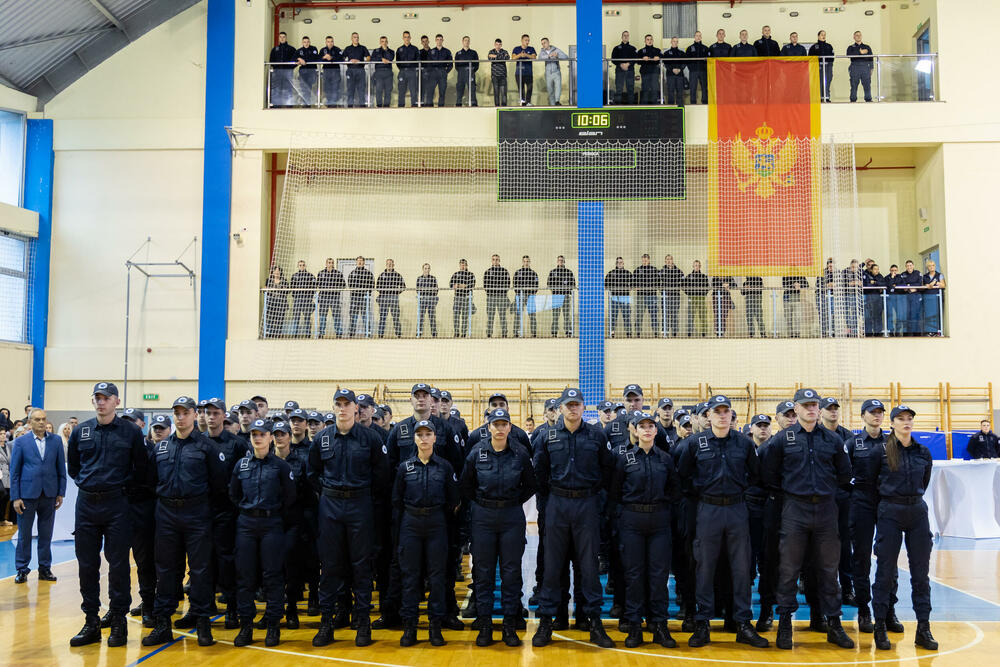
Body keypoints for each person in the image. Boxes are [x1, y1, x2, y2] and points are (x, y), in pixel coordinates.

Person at [762, 388, 854, 650]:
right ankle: (785, 625)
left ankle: (834, 624)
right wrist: (793, 493)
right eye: (806, 405)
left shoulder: (833, 440)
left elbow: (844, 474)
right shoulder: (783, 439)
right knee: (789, 570)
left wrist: (824, 491)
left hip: (826, 510)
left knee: (828, 570)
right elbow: (769, 475)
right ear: (797, 409)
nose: (812, 409)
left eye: (815, 405)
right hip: (795, 510)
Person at [678, 397, 769, 648]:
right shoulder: (694, 443)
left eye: (725, 411)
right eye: (716, 412)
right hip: (707, 509)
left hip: (737, 509)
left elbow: (755, 474)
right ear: (708, 415)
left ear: (731, 415)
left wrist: (738, 489)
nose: (721, 415)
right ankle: (702, 623)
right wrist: (701, 492)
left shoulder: (743, 443)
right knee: (704, 567)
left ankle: (742, 624)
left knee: (741, 569)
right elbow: (682, 475)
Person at [532, 388, 617, 649]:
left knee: (589, 567)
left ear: (583, 407)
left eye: (576, 404)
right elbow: (539, 473)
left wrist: (597, 503)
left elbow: (608, 470)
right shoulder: (547, 435)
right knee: (553, 566)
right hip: (557, 503)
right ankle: (547, 619)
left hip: (586, 504)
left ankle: (593, 622)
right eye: (568, 405)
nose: (572, 408)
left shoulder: (596, 435)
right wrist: (547, 509)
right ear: (560, 408)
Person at [143, 396, 228, 648]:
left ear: (194, 414)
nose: (180, 417)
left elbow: (219, 485)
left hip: (197, 513)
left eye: (185, 412)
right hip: (167, 514)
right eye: (176, 413)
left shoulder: (207, 447)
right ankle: (163, 624)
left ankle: (202, 622)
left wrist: (203, 509)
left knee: (201, 570)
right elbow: (151, 481)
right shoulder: (161, 448)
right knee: (167, 570)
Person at [308, 389, 390, 647]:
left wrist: (362, 496)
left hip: (360, 505)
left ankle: (363, 623)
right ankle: (326, 624)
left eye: (347, 404)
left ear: (356, 408)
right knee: (330, 566)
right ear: (333, 408)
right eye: (338, 404)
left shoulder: (371, 439)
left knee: (361, 566)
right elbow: (312, 472)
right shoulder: (322, 438)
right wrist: (329, 492)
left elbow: (382, 475)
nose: (342, 408)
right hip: (330, 506)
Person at [459, 408, 536, 646]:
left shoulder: (520, 454)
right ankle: (484, 625)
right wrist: (485, 504)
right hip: (483, 516)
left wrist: (510, 502)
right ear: (489, 427)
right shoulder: (476, 452)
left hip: (511, 516)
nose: (500, 429)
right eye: (496, 424)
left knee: (511, 574)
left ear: (510, 428)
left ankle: (509, 626)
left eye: (504, 424)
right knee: (483, 574)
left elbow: (530, 485)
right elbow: (466, 485)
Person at [866, 405, 937, 651]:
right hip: (890, 512)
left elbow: (924, 481)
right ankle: (880, 628)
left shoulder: (923, 452)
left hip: (917, 512)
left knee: (921, 574)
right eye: (901, 419)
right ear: (892, 423)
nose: (906, 422)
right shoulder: (880, 452)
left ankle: (924, 628)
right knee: (884, 572)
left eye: (909, 419)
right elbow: (871, 484)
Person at [610, 412, 678, 648]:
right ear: (635, 431)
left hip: (659, 521)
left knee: (659, 577)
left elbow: (673, 490)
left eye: (651, 426)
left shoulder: (666, 459)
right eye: (642, 427)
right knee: (634, 576)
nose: (647, 430)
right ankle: (634, 626)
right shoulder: (624, 459)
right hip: (632, 520)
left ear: (656, 431)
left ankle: (659, 625)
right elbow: (615, 492)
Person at [228, 419, 295, 648]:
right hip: (246, 524)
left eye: (262, 434)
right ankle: (246, 625)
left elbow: (289, 498)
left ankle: (273, 626)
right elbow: (234, 494)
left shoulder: (281, 467)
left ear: (270, 438)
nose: (257, 438)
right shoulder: (241, 466)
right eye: (254, 434)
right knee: (245, 577)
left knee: (273, 576)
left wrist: (271, 514)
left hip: (271, 524)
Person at [393, 420, 460, 647]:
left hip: (436, 523)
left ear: (434, 438)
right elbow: (397, 500)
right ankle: (410, 626)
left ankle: (435, 626)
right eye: (419, 434)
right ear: (414, 438)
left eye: (427, 434)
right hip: (410, 523)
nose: (423, 438)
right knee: (410, 578)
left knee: (437, 577)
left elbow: (453, 499)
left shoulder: (445, 467)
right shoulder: (405, 467)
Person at [846, 399, 897, 634]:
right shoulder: (853, 443)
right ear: (862, 416)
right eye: (872, 412)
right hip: (861, 502)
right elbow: (843, 475)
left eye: (880, 412)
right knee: (862, 558)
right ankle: (864, 609)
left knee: (888, 558)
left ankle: (888, 611)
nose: (877, 416)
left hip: (887, 502)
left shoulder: (893, 442)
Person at [11, 408, 66, 588]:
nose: (41, 422)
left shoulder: (56, 441)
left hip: (49, 495)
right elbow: (15, 472)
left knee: (46, 535)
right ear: (30, 422)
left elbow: (60, 470)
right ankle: (22, 569)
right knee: (24, 535)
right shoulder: (20, 442)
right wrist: (15, 497)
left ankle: (44, 569)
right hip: (26, 495)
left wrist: (61, 492)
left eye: (43, 419)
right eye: (37, 419)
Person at [120, 409, 158, 629]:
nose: (127, 426)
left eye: (131, 422)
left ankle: (149, 605)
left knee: (144, 561)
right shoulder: (118, 447)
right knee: (118, 562)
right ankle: (118, 609)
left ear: (141, 425)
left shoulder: (150, 449)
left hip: (142, 508)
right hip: (120, 508)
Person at [820, 397, 856, 608]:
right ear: (821, 412)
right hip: (821, 498)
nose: (833, 412)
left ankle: (847, 587)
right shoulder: (815, 436)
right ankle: (820, 587)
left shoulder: (848, 437)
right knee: (820, 546)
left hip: (843, 497)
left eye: (835, 409)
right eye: (829, 409)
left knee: (844, 545)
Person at [316, 257, 345, 338]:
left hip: (334, 298)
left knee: (336, 316)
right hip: (324, 298)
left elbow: (343, 285)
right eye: (329, 262)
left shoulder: (338, 273)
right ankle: (321, 333)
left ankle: (339, 333)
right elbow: (318, 284)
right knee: (322, 316)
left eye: (332, 262)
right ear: (326, 264)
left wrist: (335, 289)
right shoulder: (321, 273)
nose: (330, 264)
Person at [546, 255, 575, 337]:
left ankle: (568, 331)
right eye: (559, 260)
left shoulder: (569, 272)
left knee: (566, 315)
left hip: (565, 296)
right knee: (555, 315)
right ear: (557, 261)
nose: (561, 262)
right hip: (556, 296)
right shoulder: (553, 272)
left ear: (564, 261)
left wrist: (565, 289)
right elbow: (549, 284)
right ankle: (554, 332)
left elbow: (573, 284)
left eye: (562, 260)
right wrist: (555, 291)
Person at [376, 258, 406, 338]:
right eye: (388, 263)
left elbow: (403, 287)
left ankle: (398, 334)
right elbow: (377, 287)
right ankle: (380, 335)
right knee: (382, 317)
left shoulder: (397, 275)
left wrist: (396, 292)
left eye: (391, 263)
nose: (389, 265)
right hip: (383, 298)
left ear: (393, 265)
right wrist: (385, 292)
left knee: (396, 317)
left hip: (394, 298)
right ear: (386, 265)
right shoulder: (381, 275)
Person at [484, 254, 511, 338]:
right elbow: (485, 285)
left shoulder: (504, 271)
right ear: (491, 261)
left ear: (499, 261)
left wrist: (501, 292)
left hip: (501, 297)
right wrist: (492, 292)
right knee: (490, 316)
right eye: (493, 259)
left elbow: (507, 284)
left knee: (502, 316)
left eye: (497, 259)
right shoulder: (487, 272)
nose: (495, 261)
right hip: (491, 297)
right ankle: (489, 333)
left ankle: (504, 333)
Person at [605, 257, 633, 338]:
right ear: (616, 264)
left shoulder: (628, 273)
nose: (620, 264)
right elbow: (606, 285)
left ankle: (628, 333)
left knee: (627, 316)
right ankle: (612, 332)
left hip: (625, 297)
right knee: (613, 316)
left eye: (621, 262)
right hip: (614, 297)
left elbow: (632, 285)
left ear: (623, 263)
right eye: (618, 262)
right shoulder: (611, 273)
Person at [269, 32, 298, 107]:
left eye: (283, 37)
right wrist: (276, 68)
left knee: (288, 89)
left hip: (288, 72)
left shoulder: (291, 49)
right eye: (280, 37)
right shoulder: (275, 49)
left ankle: (288, 106)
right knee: (277, 89)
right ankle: (276, 106)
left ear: (286, 38)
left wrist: (289, 68)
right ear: (279, 38)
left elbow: (295, 61)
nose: (282, 38)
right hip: (277, 72)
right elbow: (271, 61)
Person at [347, 256, 374, 337]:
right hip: (354, 298)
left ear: (364, 262)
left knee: (366, 316)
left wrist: (366, 293)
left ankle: (367, 333)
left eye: (361, 261)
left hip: (364, 298)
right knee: (353, 316)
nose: (360, 262)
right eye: (358, 261)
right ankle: (352, 334)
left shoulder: (368, 273)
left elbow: (372, 285)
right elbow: (350, 284)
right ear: (356, 262)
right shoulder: (352, 273)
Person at [633, 254, 660, 337]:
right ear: (641, 260)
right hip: (641, 296)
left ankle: (655, 332)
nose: (644, 261)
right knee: (639, 314)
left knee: (654, 314)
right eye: (643, 260)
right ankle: (638, 332)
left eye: (646, 260)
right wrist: (635, 287)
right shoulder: (637, 270)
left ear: (649, 260)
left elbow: (658, 282)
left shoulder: (654, 270)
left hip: (652, 296)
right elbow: (633, 282)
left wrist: (654, 287)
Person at [512, 255, 539, 338]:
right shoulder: (517, 272)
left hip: (530, 296)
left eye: (527, 261)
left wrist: (531, 293)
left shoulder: (533, 273)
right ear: (522, 262)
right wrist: (519, 293)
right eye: (524, 261)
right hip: (520, 296)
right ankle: (516, 332)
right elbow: (514, 284)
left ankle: (533, 333)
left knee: (532, 315)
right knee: (518, 314)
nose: (526, 263)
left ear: (529, 262)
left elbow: (536, 285)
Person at [342, 32, 371, 108]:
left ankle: (362, 106)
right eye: (355, 37)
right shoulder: (348, 48)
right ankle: (350, 106)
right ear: (351, 39)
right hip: (350, 70)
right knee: (350, 89)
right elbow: (342, 58)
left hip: (360, 70)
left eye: (357, 37)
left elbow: (368, 57)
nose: (356, 39)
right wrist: (349, 61)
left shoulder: (363, 48)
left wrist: (362, 61)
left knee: (361, 89)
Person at [682, 260, 710, 337]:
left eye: (698, 265)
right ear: (693, 266)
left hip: (701, 297)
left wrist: (703, 293)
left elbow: (707, 287)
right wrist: (689, 293)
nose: (696, 267)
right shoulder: (688, 276)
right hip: (692, 297)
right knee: (690, 315)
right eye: (695, 265)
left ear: (700, 266)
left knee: (703, 315)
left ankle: (704, 332)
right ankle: (689, 332)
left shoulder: (704, 277)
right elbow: (683, 286)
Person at [289, 259, 315, 338]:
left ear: (305, 266)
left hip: (307, 300)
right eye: (300, 265)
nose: (302, 266)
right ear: (298, 266)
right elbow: (292, 288)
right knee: (296, 318)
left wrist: (309, 297)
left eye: (303, 265)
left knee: (307, 318)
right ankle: (294, 335)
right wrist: (296, 296)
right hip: (297, 300)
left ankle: (308, 335)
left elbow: (313, 287)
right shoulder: (294, 276)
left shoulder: (310, 276)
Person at [449, 258, 476, 337]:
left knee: (465, 316)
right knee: (456, 315)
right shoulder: (455, 274)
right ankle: (456, 332)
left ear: (467, 265)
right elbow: (451, 285)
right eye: (461, 265)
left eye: (464, 265)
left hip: (466, 297)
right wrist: (461, 286)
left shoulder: (470, 274)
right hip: (457, 297)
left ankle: (463, 333)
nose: (463, 266)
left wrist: (460, 286)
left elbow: (472, 285)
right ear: (459, 265)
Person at [538, 37, 568, 105]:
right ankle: (552, 105)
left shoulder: (556, 49)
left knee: (558, 87)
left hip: (556, 72)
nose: (543, 45)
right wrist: (548, 56)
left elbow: (566, 56)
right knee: (550, 90)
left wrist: (557, 55)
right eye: (542, 44)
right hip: (548, 74)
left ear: (548, 42)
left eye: (544, 43)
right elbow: (539, 58)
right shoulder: (542, 51)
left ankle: (557, 101)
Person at [847, 31, 874, 103]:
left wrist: (871, 68)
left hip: (865, 67)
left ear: (861, 36)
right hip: (855, 67)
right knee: (854, 85)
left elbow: (871, 58)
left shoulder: (867, 47)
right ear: (854, 37)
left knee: (867, 85)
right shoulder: (851, 47)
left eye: (860, 35)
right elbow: (849, 55)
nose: (858, 36)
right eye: (856, 35)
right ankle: (853, 100)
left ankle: (868, 99)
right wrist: (860, 52)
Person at [425, 34, 452, 107]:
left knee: (442, 92)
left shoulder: (447, 51)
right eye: (437, 39)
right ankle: (429, 107)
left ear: (443, 40)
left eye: (440, 39)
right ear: (435, 40)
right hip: (433, 73)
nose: (439, 41)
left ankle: (441, 107)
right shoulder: (431, 51)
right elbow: (428, 63)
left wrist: (445, 72)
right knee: (430, 92)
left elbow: (450, 64)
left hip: (442, 73)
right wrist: (430, 72)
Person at [659, 255, 683, 337]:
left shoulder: (678, 271)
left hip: (675, 296)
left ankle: (675, 332)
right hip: (665, 296)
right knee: (665, 314)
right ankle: (664, 331)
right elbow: (658, 282)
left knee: (674, 314)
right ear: (665, 261)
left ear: (672, 260)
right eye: (667, 259)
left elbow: (683, 282)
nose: (669, 261)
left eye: (670, 259)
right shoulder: (661, 271)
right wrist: (661, 290)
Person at [611, 31, 637, 104]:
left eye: (627, 35)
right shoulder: (616, 48)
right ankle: (618, 105)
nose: (626, 37)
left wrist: (628, 64)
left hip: (630, 71)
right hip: (619, 71)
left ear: (629, 37)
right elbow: (613, 59)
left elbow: (635, 58)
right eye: (624, 35)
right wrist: (621, 64)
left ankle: (631, 106)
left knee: (631, 89)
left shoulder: (633, 48)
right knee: (619, 89)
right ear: (621, 37)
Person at [395, 31, 420, 107]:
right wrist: (403, 68)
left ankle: (414, 105)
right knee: (401, 90)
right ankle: (401, 105)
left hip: (412, 72)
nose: (407, 38)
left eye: (408, 37)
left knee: (413, 90)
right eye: (405, 37)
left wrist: (412, 68)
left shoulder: (415, 49)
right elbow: (397, 62)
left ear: (410, 38)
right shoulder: (399, 49)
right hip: (402, 72)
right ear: (403, 38)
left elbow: (418, 60)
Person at [809, 30, 835, 102]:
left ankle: (826, 97)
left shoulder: (829, 46)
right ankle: (819, 98)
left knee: (827, 82)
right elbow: (811, 58)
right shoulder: (813, 47)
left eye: (824, 35)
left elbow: (832, 57)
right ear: (818, 36)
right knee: (819, 82)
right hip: (818, 67)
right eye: (822, 34)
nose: (823, 36)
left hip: (828, 67)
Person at [294, 36, 320, 106]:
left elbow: (314, 58)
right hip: (303, 72)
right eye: (305, 42)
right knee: (303, 89)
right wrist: (299, 59)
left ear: (310, 42)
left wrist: (304, 60)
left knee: (309, 88)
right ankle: (305, 104)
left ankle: (308, 104)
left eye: (308, 42)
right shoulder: (299, 50)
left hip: (311, 72)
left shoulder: (313, 49)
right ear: (302, 43)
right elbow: (294, 58)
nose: (306, 43)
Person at [900, 259, 923, 336]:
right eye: (907, 266)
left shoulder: (917, 273)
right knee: (907, 315)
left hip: (916, 296)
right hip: (906, 296)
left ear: (913, 266)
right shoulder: (903, 274)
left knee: (915, 315)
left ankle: (917, 333)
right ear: (905, 267)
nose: (909, 267)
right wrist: (911, 286)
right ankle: (908, 334)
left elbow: (920, 283)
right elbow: (902, 284)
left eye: (910, 265)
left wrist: (910, 285)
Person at [636, 34, 661, 104]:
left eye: (651, 39)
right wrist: (642, 59)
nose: (649, 41)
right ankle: (644, 107)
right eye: (648, 39)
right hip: (645, 73)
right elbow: (637, 61)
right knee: (645, 90)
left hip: (655, 73)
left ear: (653, 41)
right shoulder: (641, 51)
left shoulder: (657, 50)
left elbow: (662, 58)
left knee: (655, 90)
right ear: (645, 41)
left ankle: (655, 107)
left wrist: (658, 58)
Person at [264, 265, 288, 338]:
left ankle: (278, 333)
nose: (277, 273)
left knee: (280, 318)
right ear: (273, 272)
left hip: (281, 302)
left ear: (280, 272)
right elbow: (266, 288)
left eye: (278, 271)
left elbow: (287, 291)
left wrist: (285, 289)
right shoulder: (268, 280)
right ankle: (269, 332)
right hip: (271, 302)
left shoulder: (284, 281)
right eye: (276, 271)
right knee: (270, 317)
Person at [512, 34, 537, 106]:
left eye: (528, 40)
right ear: (522, 40)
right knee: (521, 88)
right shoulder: (516, 49)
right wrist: (520, 55)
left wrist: (526, 55)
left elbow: (534, 57)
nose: (527, 42)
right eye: (526, 40)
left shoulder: (531, 48)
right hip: (519, 73)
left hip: (528, 72)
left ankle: (528, 101)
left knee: (529, 87)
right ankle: (522, 102)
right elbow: (513, 58)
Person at [922, 260, 945, 335]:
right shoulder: (924, 276)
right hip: (927, 298)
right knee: (928, 315)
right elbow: (922, 286)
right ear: (927, 267)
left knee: (936, 315)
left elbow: (943, 285)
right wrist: (926, 286)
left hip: (936, 298)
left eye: (933, 265)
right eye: (930, 266)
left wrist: (935, 282)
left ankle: (937, 331)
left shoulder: (939, 275)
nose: (932, 267)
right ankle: (929, 331)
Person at [370, 35, 394, 108]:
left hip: (388, 72)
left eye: (385, 41)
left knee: (388, 90)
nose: (384, 43)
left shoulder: (391, 51)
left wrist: (385, 50)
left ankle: (387, 105)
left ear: (387, 42)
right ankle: (379, 105)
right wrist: (381, 59)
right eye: (382, 41)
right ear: (380, 42)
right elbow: (372, 59)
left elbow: (390, 58)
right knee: (379, 89)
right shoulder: (376, 51)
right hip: (379, 72)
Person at [685, 31, 709, 104]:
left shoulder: (705, 48)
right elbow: (687, 60)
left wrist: (705, 68)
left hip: (703, 71)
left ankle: (705, 101)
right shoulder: (689, 48)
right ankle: (693, 102)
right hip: (693, 71)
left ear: (701, 37)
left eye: (699, 36)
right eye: (697, 36)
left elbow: (709, 60)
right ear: (694, 37)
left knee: (704, 87)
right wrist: (691, 68)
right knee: (693, 87)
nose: (698, 37)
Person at [454, 36, 479, 107]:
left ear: (469, 42)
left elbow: (477, 65)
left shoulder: (473, 53)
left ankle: (473, 103)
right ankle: (458, 104)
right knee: (460, 89)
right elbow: (456, 66)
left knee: (472, 89)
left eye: (468, 40)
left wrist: (472, 71)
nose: (467, 42)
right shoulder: (458, 53)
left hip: (470, 72)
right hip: (461, 73)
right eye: (465, 40)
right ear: (462, 42)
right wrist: (462, 71)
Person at [416, 263, 439, 337]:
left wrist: (428, 292)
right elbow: (418, 290)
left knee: (432, 317)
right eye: (425, 268)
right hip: (422, 300)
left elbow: (436, 290)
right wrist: (426, 291)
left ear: (430, 269)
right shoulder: (419, 279)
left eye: (428, 268)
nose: (427, 270)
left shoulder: (433, 278)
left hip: (431, 300)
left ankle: (434, 334)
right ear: (423, 269)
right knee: (420, 317)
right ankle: (419, 333)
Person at [319, 36, 343, 107]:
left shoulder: (337, 49)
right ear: (326, 42)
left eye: (331, 41)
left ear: (333, 42)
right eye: (328, 41)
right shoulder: (322, 50)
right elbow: (317, 59)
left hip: (335, 71)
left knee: (335, 88)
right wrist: (324, 57)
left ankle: (334, 105)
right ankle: (329, 104)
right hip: (326, 71)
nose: (330, 43)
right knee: (327, 88)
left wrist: (331, 58)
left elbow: (341, 59)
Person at [863, 263, 886, 336]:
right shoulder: (867, 276)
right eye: (875, 269)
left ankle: (878, 332)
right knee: (868, 316)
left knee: (878, 316)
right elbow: (866, 285)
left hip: (878, 299)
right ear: (871, 270)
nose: (877, 271)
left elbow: (884, 284)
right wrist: (876, 285)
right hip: (869, 298)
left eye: (878, 269)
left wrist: (875, 282)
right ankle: (868, 333)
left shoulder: (880, 276)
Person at [662, 37, 685, 106]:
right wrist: (672, 69)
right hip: (670, 75)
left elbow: (685, 62)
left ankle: (680, 108)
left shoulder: (682, 53)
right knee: (670, 92)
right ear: (671, 42)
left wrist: (680, 69)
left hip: (680, 75)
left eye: (676, 41)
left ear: (678, 42)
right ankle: (670, 108)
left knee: (680, 92)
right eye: (674, 41)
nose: (675, 42)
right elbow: (666, 64)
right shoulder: (666, 53)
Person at [488, 39, 510, 107]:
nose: (498, 46)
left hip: (503, 75)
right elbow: (490, 58)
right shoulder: (491, 51)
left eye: (499, 44)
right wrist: (500, 56)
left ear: (501, 45)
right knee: (496, 92)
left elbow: (507, 57)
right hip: (494, 75)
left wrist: (495, 56)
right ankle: (497, 106)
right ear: (494, 44)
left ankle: (504, 107)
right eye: (497, 44)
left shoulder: (504, 51)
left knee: (503, 93)